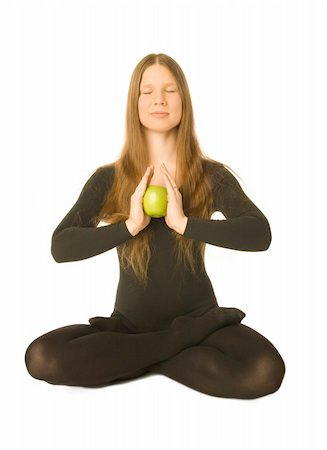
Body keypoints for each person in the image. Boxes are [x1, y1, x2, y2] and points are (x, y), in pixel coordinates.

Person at [24, 53, 285, 399]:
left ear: (183, 101)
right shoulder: (109, 179)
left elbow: (258, 233)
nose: (159, 98)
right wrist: (129, 225)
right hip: (129, 327)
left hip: (200, 320)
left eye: (169, 90)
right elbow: (61, 246)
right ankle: (172, 346)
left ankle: (134, 361)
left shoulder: (211, 176)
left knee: (264, 370)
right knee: (41, 357)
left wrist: (184, 223)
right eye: (147, 92)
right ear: (135, 104)